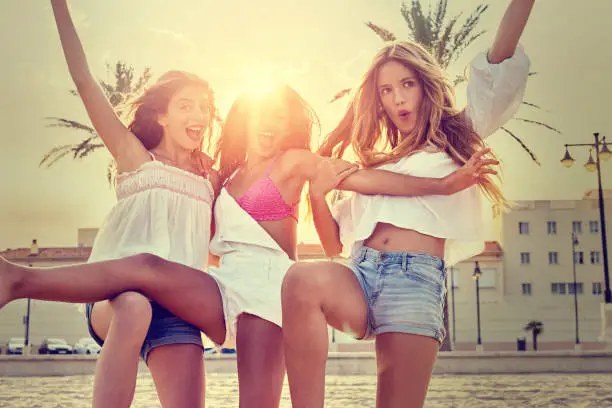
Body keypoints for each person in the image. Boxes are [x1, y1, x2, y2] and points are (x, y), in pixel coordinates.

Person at [280, 1, 535, 407]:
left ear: (425, 86)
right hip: (361, 277)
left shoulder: (458, 138)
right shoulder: (374, 168)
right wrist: (316, 195)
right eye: (386, 89)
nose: (397, 98)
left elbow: (499, 62)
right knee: (300, 280)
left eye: (407, 84)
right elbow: (332, 248)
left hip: (412, 283)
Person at [47, 1, 224, 407]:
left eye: (204, 107)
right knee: (135, 305)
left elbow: (214, 250)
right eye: (186, 105)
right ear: (161, 116)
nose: (199, 114)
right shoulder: (134, 157)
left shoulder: (209, 180)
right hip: (116, 298)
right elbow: (84, 80)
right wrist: (59, 7)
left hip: (176, 309)